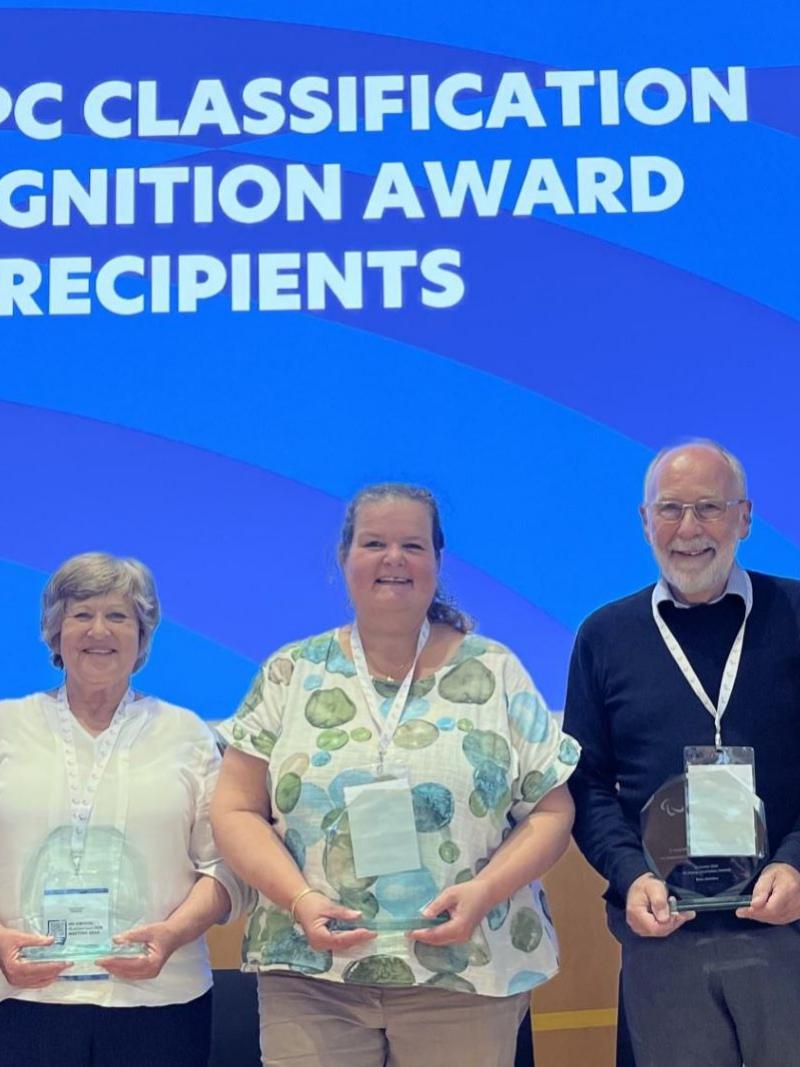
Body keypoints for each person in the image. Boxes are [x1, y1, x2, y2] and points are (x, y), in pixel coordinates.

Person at [211, 482, 579, 1067]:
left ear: (437, 561)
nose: (393, 559)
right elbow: (234, 809)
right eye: (374, 542)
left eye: (412, 545)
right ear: (344, 557)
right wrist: (300, 898)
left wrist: (484, 892)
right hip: (311, 973)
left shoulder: (495, 670)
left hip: (464, 973)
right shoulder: (289, 672)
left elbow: (552, 811)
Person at [563, 441, 800, 1067]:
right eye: (670, 509)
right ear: (645, 521)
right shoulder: (603, 636)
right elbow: (585, 786)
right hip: (664, 936)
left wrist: (798, 862)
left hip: (790, 927)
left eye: (709, 508)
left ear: (745, 517)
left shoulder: (798, 615)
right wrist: (630, 876)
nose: (688, 529)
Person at [0, 552, 246, 1067]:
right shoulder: (7, 727)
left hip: (159, 998)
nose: (99, 630)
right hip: (21, 997)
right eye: (81, 614)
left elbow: (226, 869)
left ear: (142, 637)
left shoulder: (187, 734)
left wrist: (172, 935)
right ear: (55, 632)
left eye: (118, 616)